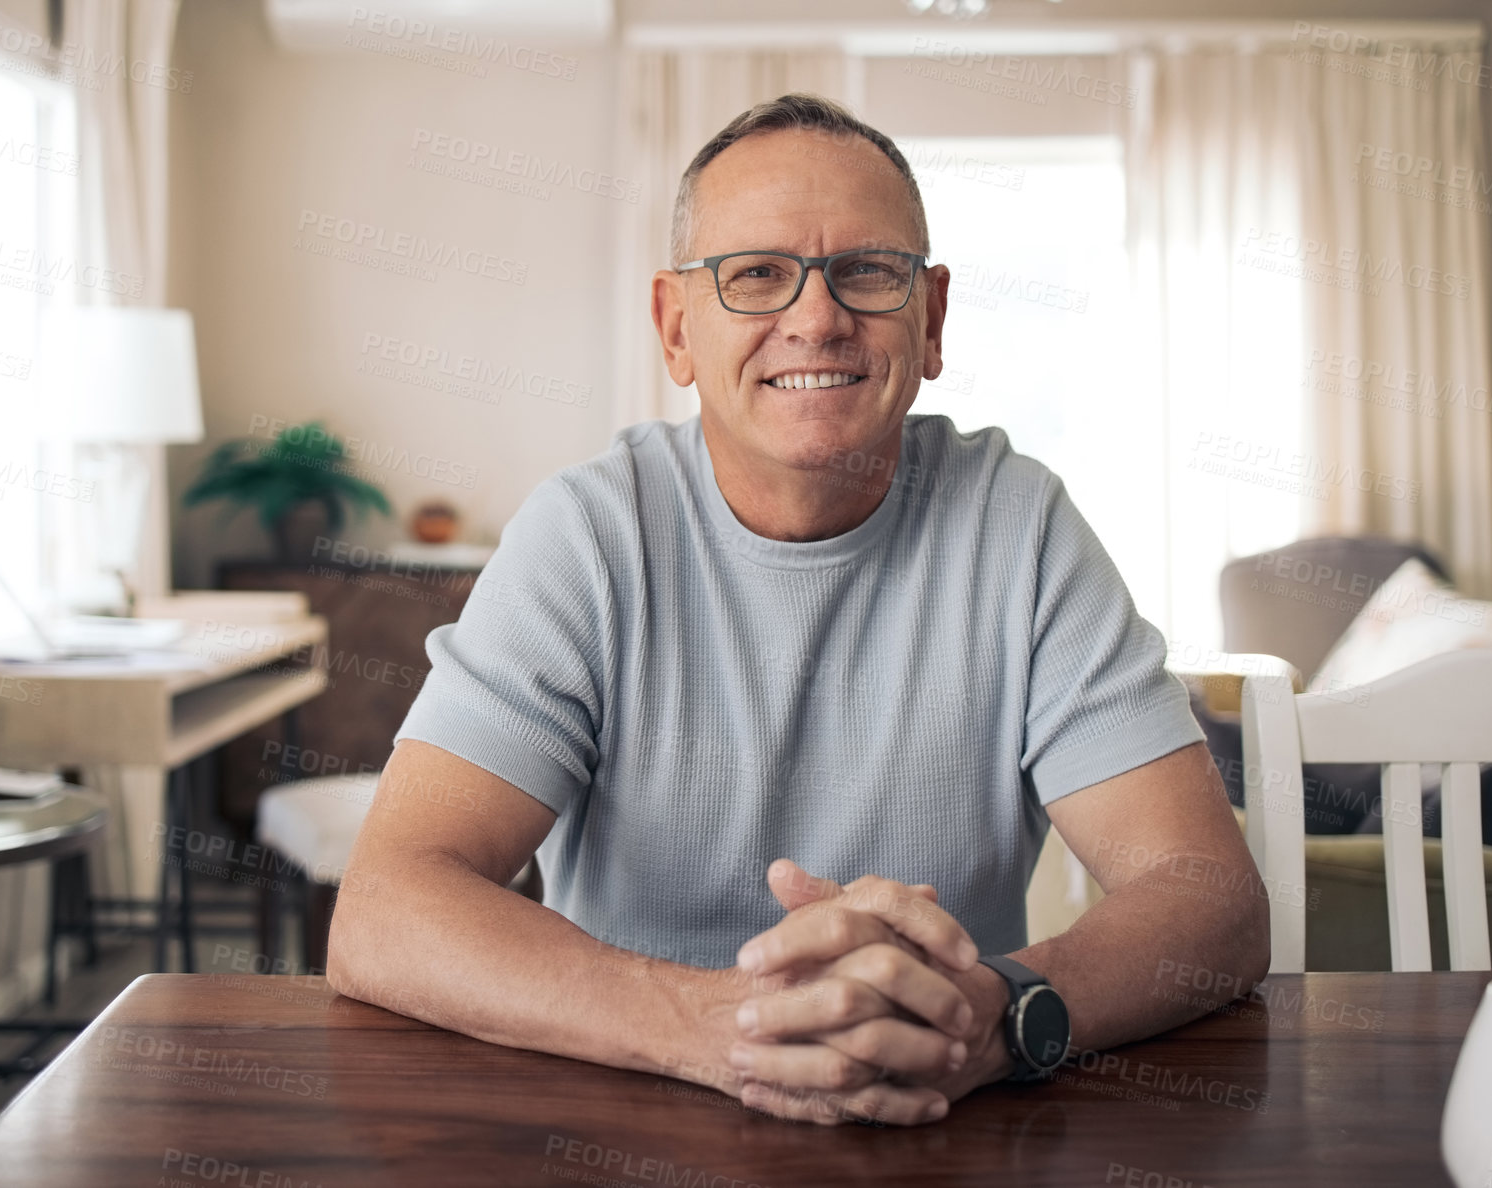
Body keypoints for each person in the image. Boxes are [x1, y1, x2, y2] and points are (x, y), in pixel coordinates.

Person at [327, 92, 1269, 1128]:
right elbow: (385, 911)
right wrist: (720, 1027)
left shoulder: (1020, 524)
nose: (815, 319)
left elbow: (1208, 897)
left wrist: (994, 1016)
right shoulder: (586, 535)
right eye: (756, 274)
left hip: (941, 1118)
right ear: (675, 327)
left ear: (932, 317)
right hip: (627, 1118)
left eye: (866, 271)